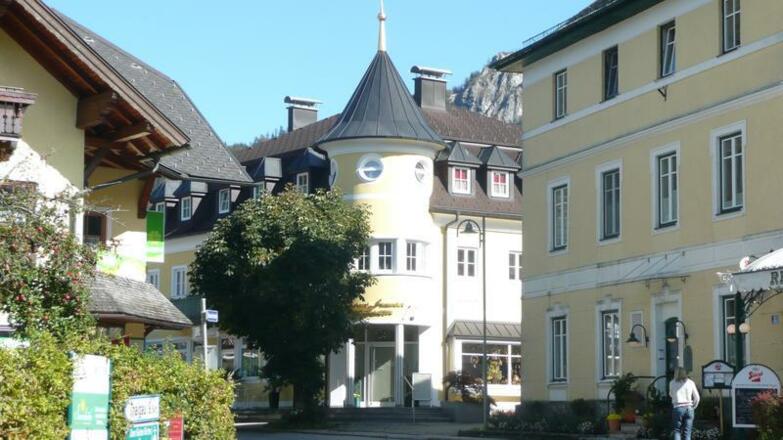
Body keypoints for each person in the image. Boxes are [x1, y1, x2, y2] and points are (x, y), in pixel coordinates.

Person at [669, 367, 700, 440]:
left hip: (678, 407)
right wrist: (694, 407)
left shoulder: (672, 382)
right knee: (687, 432)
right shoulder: (690, 382)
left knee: (677, 431)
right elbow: (697, 398)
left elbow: (671, 394)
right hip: (689, 408)